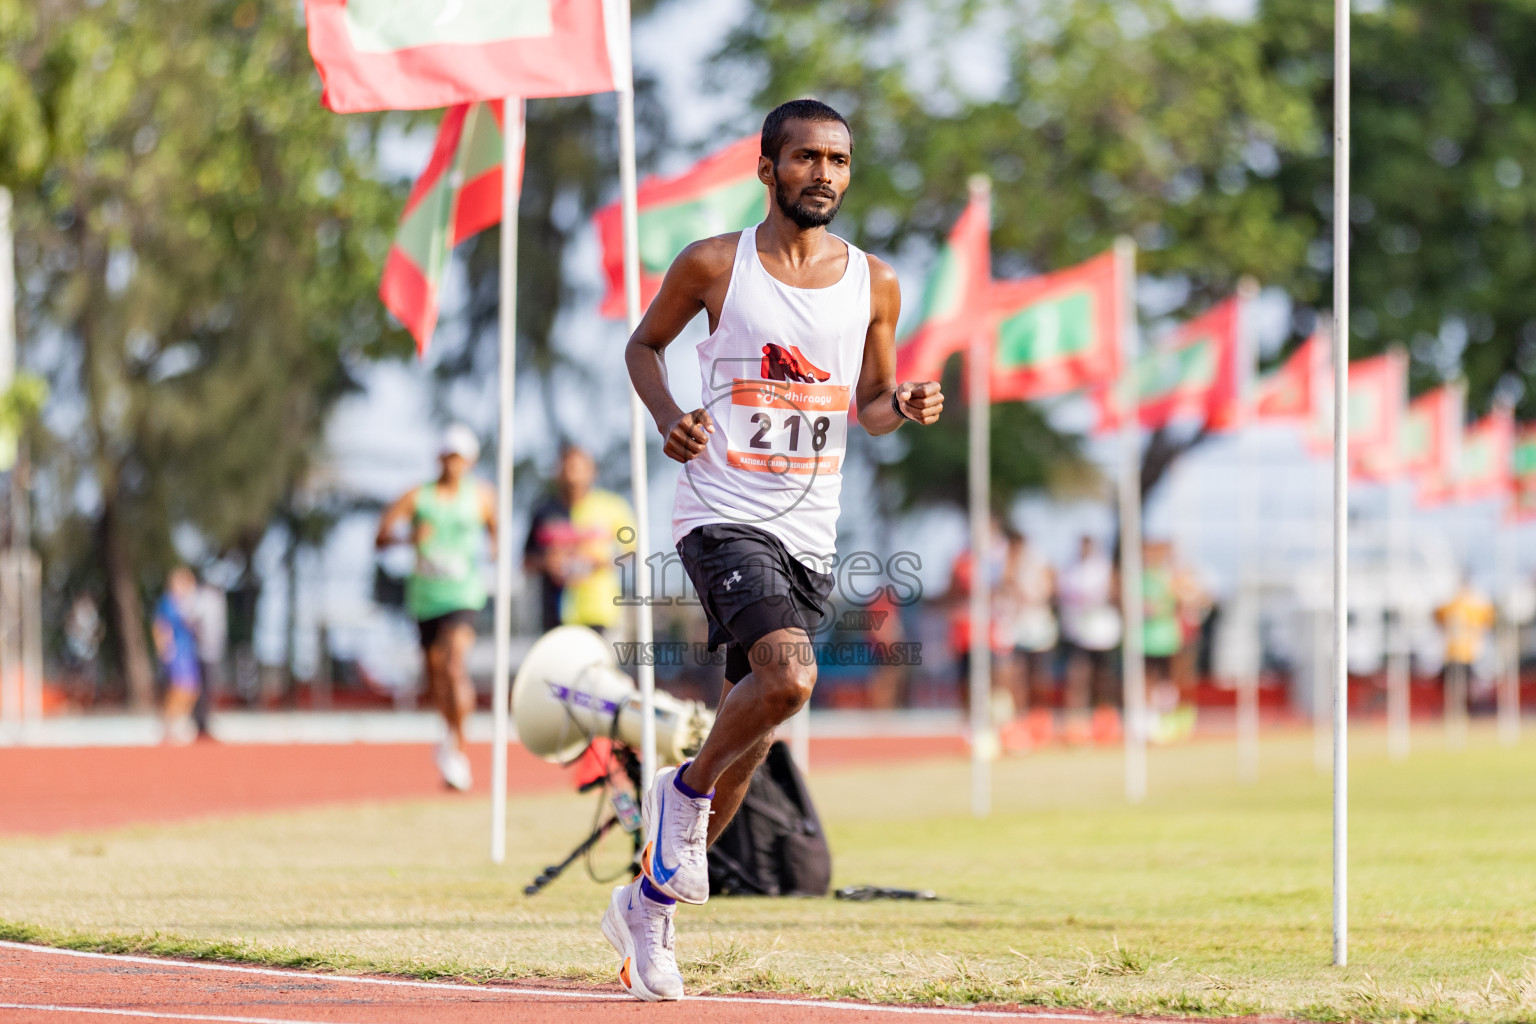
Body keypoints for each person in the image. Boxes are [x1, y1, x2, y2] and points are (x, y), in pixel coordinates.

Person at [605, 98, 943, 1002]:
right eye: (806, 158)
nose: (824, 173)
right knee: (791, 678)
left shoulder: (874, 282)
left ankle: (647, 908)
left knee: (758, 725)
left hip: (809, 533)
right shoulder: (717, 264)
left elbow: (867, 404)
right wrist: (672, 417)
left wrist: (899, 404)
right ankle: (682, 791)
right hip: (720, 513)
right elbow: (643, 347)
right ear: (768, 168)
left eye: (838, 159)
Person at [376, 424, 496, 791]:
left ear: (470, 461)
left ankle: (459, 749)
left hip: (463, 595)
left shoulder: (481, 496)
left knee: (454, 664)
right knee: (435, 676)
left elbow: (495, 529)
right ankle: (448, 734)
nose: (453, 464)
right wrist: (408, 538)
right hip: (425, 598)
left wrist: (494, 550)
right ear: (439, 458)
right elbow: (380, 537)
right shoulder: (417, 497)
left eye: (460, 457)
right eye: (448, 456)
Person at [523, 443, 636, 636]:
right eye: (566, 468)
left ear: (592, 472)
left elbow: (631, 551)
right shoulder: (543, 511)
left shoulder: (613, 507)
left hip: (598, 611)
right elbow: (527, 561)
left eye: (577, 469)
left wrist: (603, 560)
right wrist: (547, 562)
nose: (571, 476)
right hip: (555, 612)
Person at [1057, 535, 1121, 742]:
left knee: (1103, 677)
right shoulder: (1070, 569)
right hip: (1078, 632)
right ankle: (1077, 721)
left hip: (1101, 633)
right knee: (1078, 675)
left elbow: (1114, 593)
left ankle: (1105, 717)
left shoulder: (1103, 569)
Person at [1435, 574, 1495, 750]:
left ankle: (1460, 717)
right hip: (1460, 654)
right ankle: (1457, 717)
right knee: (1456, 689)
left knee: (1460, 689)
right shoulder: (1468, 606)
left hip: (1462, 654)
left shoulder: (1456, 606)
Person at [152, 567, 202, 745]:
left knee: (192, 687)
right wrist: (164, 647)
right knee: (179, 687)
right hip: (176, 650)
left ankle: (179, 720)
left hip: (187, 649)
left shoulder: (185, 604)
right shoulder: (167, 602)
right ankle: (169, 725)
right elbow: (160, 625)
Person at [185, 574, 228, 739]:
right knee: (202, 688)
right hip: (202, 651)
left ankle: (205, 721)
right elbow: (192, 620)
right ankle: (200, 723)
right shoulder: (204, 599)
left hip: (212, 651)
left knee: (209, 688)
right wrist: (200, 637)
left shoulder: (216, 600)